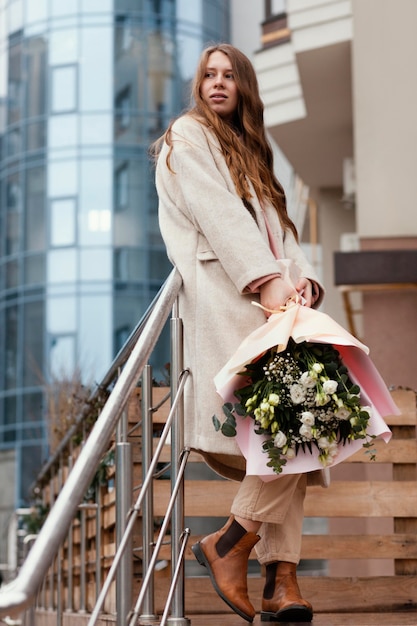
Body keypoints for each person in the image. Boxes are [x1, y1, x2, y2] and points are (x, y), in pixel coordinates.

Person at [153, 43, 324, 623]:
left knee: (299, 423)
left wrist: (302, 283)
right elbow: (220, 218)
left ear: (244, 86)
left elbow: (284, 234)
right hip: (232, 301)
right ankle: (244, 555)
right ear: (198, 85)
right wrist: (269, 282)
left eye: (229, 75)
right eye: (208, 75)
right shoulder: (186, 138)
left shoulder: (253, 154)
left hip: (276, 308)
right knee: (294, 424)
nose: (217, 83)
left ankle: (276, 576)